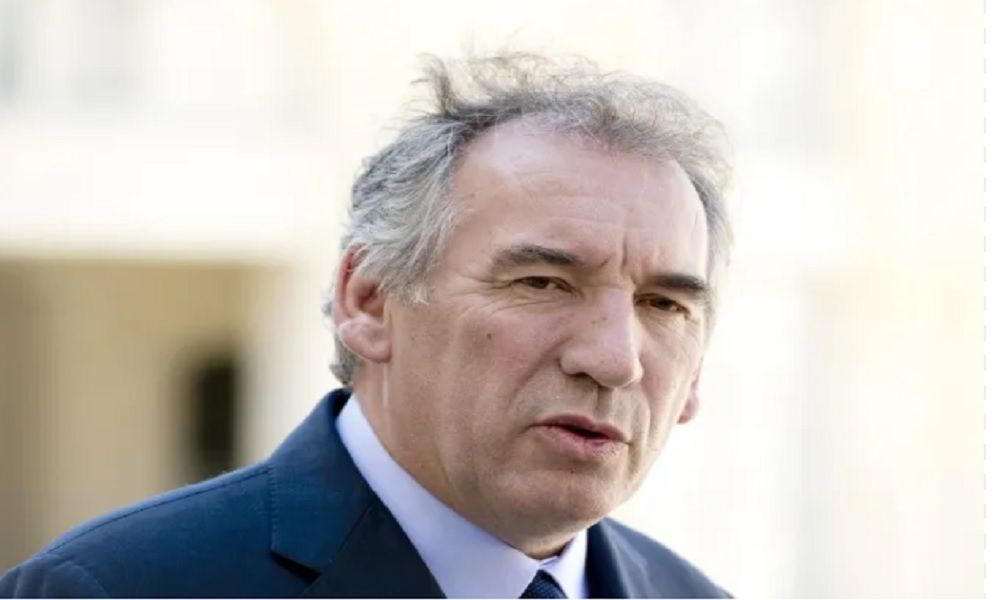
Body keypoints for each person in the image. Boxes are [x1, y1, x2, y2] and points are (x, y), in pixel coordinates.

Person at [0, 53, 733, 598]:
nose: (615, 359)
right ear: (370, 300)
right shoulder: (113, 589)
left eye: (665, 305)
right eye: (542, 283)